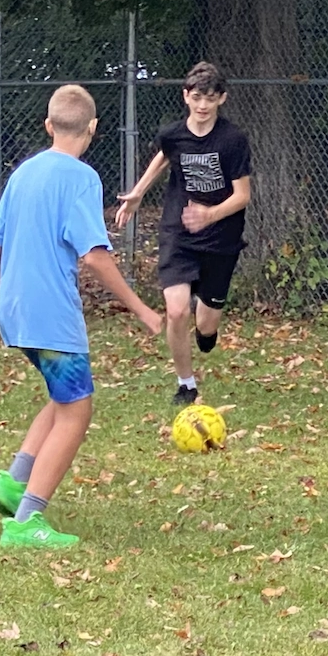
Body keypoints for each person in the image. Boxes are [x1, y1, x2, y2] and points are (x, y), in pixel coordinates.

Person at [0, 85, 163, 549]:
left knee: (64, 398)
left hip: (14, 309)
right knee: (78, 411)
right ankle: (26, 523)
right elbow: (96, 256)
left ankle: (13, 480)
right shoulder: (82, 178)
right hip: (51, 312)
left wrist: (11, 287)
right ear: (94, 128)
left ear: (48, 125)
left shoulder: (23, 173)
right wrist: (142, 309)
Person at [115, 61, 251, 406]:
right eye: (197, 97)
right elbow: (164, 155)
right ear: (186, 96)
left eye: (210, 98)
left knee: (205, 325)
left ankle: (208, 333)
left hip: (221, 240)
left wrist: (210, 214)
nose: (202, 106)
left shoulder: (232, 140)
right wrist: (138, 192)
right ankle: (186, 384)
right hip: (179, 234)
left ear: (222, 99)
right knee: (176, 311)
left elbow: (242, 196)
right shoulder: (174, 133)